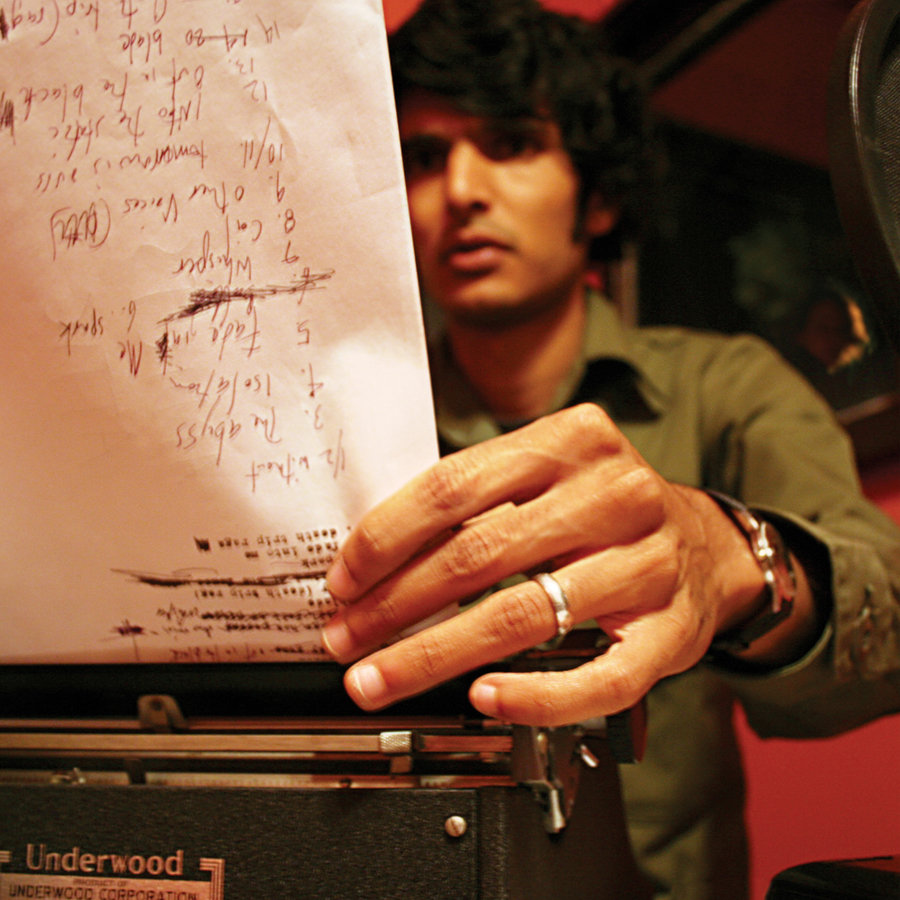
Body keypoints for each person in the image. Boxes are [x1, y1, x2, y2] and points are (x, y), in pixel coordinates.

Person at [321, 0, 900, 896]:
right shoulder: (339, 422)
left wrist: (732, 561)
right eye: (423, 158)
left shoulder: (724, 386)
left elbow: (889, 619)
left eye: (511, 144)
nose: (461, 189)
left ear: (599, 196)